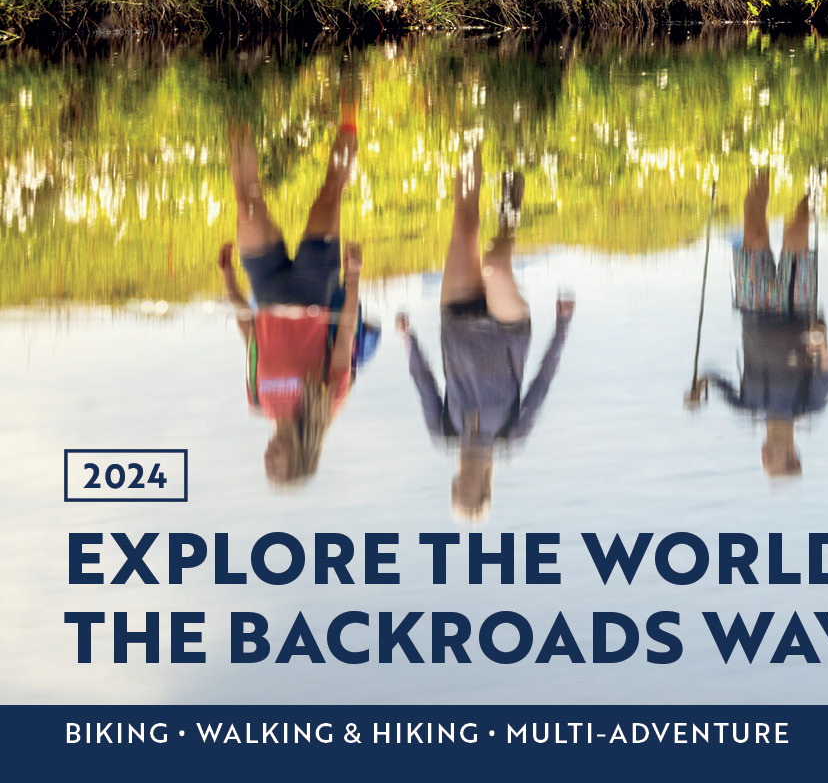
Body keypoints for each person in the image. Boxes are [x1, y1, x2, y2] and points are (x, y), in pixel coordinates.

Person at [396, 146, 573, 520]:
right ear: (485, 489)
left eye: (459, 494)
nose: (463, 489)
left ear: (454, 485)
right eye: (471, 496)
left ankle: (470, 135)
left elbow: (425, 383)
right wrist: (562, 327)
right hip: (507, 331)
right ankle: (509, 210)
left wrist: (408, 339)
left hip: (456, 320)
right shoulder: (511, 436)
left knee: (465, 224)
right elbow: (542, 382)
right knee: (493, 262)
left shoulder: (443, 431)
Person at [218, 106, 374, 485]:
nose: (268, 461)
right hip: (314, 288)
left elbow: (252, 339)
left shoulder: (259, 402)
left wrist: (229, 281)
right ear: (300, 458)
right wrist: (352, 278)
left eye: (266, 467)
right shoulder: (325, 404)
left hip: (267, 289)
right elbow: (344, 336)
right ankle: (350, 104)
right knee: (330, 192)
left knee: (246, 203)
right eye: (277, 467)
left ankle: (237, 99)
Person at [704, 169, 828, 477]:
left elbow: (712, 379)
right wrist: (822, 342)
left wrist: (699, 388)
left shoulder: (747, 407)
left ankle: (762, 161)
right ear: (792, 453)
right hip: (797, 307)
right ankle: (812, 186)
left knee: (753, 226)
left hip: (753, 306)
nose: (763, 454)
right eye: (772, 459)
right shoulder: (809, 405)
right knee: (796, 232)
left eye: (764, 460)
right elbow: (826, 368)